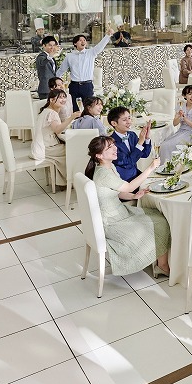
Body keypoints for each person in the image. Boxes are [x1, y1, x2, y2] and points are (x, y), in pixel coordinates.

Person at [82, 136, 171, 277]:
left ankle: (161, 263)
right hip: (112, 221)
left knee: (158, 218)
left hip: (120, 212)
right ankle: (163, 265)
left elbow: (118, 192)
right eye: (109, 148)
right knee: (159, 223)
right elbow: (128, 187)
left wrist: (133, 197)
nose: (115, 148)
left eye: (113, 145)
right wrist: (150, 168)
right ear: (99, 156)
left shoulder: (109, 167)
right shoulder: (103, 174)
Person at [33, 88, 79, 187]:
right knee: (74, 151)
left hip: (40, 146)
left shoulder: (46, 111)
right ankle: (70, 181)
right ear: (51, 100)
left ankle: (63, 181)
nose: (63, 100)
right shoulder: (51, 113)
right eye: (60, 98)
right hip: (46, 148)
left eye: (64, 97)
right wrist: (72, 117)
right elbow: (57, 130)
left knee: (69, 148)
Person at [62, 33, 110, 113]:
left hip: (87, 86)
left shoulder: (91, 52)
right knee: (73, 108)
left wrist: (108, 36)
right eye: (80, 40)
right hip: (74, 86)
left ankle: (88, 120)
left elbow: (100, 46)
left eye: (84, 40)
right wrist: (54, 81)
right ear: (75, 43)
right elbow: (62, 69)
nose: (83, 42)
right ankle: (76, 120)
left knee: (89, 108)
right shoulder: (69, 56)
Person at [156, 85, 192, 161]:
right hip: (181, 132)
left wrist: (185, 119)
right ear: (184, 96)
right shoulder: (181, 106)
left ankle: (172, 164)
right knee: (164, 145)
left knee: (170, 145)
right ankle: (165, 165)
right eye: (190, 94)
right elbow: (175, 124)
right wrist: (178, 116)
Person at [108, 106, 152, 183]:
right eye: (124, 120)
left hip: (135, 174)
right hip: (124, 181)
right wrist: (140, 142)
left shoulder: (131, 135)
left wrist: (147, 138)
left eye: (129, 118)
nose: (129, 122)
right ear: (114, 123)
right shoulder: (111, 143)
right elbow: (128, 163)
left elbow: (145, 154)